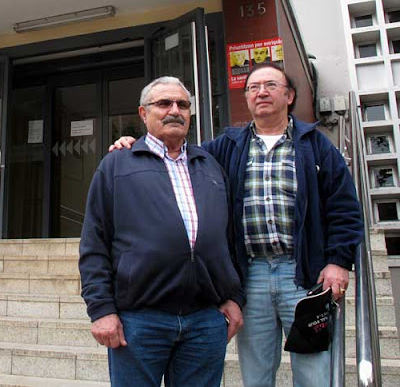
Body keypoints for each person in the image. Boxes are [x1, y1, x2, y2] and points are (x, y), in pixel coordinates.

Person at [110, 63, 363, 387]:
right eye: (253, 87)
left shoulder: (316, 145)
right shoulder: (226, 147)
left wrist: (338, 261)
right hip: (251, 276)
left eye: (271, 85)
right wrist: (133, 145)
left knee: (316, 375)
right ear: (246, 99)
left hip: (305, 276)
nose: (262, 92)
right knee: (256, 375)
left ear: (289, 95)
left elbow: (344, 208)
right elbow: (177, 156)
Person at [79, 76, 244, 387]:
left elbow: (229, 238)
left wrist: (234, 296)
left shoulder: (210, 165)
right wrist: (101, 309)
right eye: (164, 103)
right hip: (140, 321)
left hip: (205, 320)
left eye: (182, 104)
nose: (174, 110)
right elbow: (94, 243)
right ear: (143, 114)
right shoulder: (117, 165)